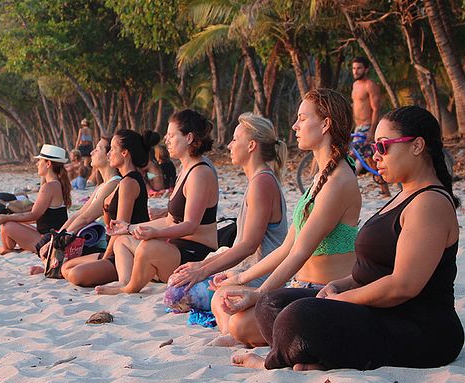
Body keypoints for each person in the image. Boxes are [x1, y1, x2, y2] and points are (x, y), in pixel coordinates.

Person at [240, 106, 464, 371]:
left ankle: (274, 362)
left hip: (416, 326)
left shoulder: (429, 203)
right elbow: (373, 269)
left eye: (383, 146)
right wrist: (338, 285)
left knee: (296, 318)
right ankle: (315, 358)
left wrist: (343, 299)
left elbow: (403, 286)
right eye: (373, 147)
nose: (375, 155)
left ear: (417, 146)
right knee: (271, 305)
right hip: (376, 310)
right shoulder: (404, 195)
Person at [210, 88, 362, 348]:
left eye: (303, 118)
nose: (294, 126)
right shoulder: (321, 177)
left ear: (325, 124)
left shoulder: (339, 181)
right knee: (224, 296)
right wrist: (239, 279)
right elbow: (286, 247)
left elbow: (300, 252)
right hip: (300, 285)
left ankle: (240, 334)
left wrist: (259, 294)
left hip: (324, 292)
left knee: (239, 324)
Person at [165, 113, 288, 319]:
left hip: (260, 276)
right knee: (177, 283)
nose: (229, 146)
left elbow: (249, 245)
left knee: (177, 295)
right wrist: (200, 266)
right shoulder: (257, 180)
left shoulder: (262, 183)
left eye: (234, 140)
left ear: (251, 145)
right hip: (245, 269)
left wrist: (203, 271)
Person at [96, 109, 219, 295]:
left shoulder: (200, 173)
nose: (166, 140)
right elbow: (171, 220)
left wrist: (156, 233)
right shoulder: (185, 170)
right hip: (176, 250)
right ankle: (124, 280)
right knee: (122, 241)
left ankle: (129, 288)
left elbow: (190, 225)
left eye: (171, 135)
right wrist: (129, 227)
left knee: (148, 246)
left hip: (196, 253)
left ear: (189, 138)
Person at [61, 130, 158, 287]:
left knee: (75, 274)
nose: (109, 154)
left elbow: (121, 228)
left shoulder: (129, 182)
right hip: (112, 248)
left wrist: (106, 257)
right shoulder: (122, 181)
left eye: (112, 149)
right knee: (66, 267)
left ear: (125, 153)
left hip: (124, 253)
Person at [0, 144, 71, 254]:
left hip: (49, 240)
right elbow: (40, 217)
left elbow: (34, 214)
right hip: (54, 236)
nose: (37, 164)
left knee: (7, 226)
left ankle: (6, 249)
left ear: (48, 164)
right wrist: (10, 217)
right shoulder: (57, 184)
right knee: (12, 222)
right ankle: (12, 248)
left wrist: (6, 217)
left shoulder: (49, 187)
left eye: (40, 161)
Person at [351, 56, 388, 196]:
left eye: (359, 68)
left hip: (368, 127)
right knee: (371, 160)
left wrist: (372, 131)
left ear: (366, 69)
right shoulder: (355, 85)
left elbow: (376, 109)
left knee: (352, 156)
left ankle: (345, 188)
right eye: (354, 68)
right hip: (358, 127)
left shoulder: (370, 85)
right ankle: (385, 191)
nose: (356, 71)